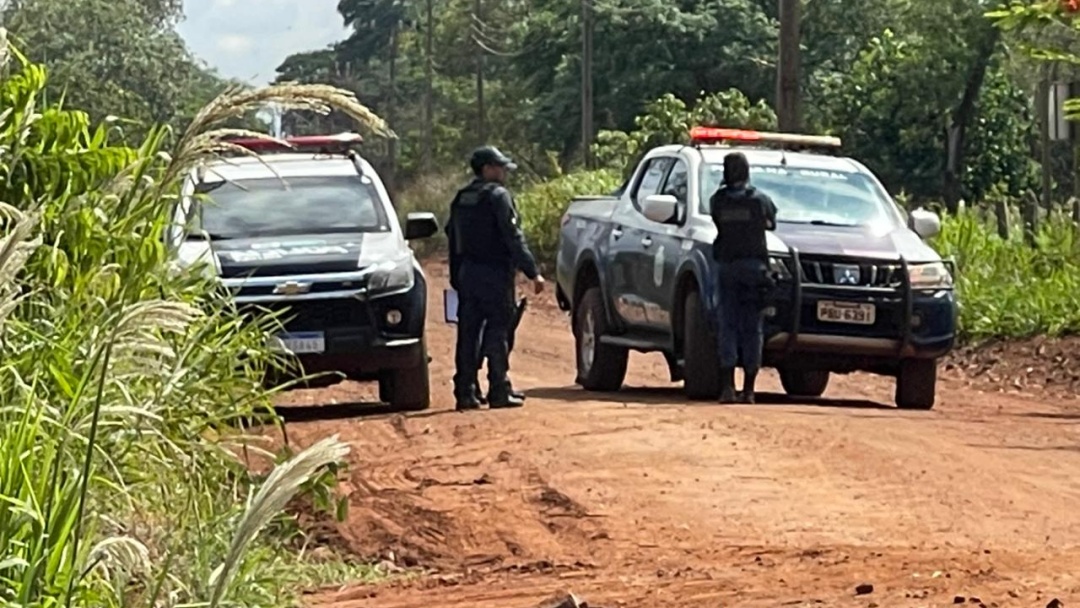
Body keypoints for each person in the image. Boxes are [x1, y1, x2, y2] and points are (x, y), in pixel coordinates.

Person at [446, 145, 544, 411]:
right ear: (487, 169)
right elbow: (513, 237)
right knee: (499, 329)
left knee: (468, 333)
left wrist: (457, 276)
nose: (503, 172)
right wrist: (532, 271)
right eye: (499, 167)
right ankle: (498, 388)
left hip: (467, 274)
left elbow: (452, 238)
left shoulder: (462, 197)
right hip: (494, 274)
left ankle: (465, 391)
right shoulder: (498, 196)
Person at [709, 152, 778, 404]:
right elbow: (771, 221)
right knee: (752, 328)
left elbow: (716, 219)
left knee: (727, 324)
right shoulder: (759, 200)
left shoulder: (718, 200)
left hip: (727, 267)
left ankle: (727, 388)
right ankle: (749, 391)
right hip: (755, 269)